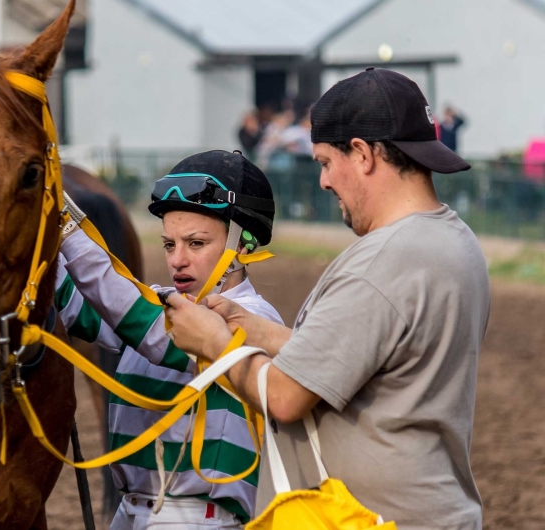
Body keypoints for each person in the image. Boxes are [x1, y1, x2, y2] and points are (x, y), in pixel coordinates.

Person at [164, 68, 490, 529]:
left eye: (323, 162)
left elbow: (283, 397)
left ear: (362, 154)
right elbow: (363, 355)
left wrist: (215, 343)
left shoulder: (383, 261)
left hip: (365, 518)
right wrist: (258, 330)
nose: (323, 182)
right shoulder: (455, 241)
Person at [57, 150, 283, 528]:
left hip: (198, 517)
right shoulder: (159, 301)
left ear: (242, 245)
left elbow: (137, 319)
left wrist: (66, 228)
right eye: (168, 244)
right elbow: (78, 311)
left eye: (195, 244)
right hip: (130, 512)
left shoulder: (256, 319)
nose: (177, 260)